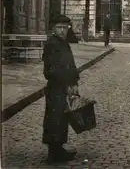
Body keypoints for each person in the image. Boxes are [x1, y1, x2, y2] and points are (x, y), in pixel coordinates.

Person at [42, 14, 80, 164]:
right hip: (56, 87)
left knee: (62, 119)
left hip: (65, 87)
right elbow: (50, 70)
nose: (62, 31)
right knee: (55, 119)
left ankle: (59, 148)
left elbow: (71, 64)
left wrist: (74, 82)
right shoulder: (52, 45)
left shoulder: (64, 43)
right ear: (53, 29)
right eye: (59, 28)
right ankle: (53, 153)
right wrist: (68, 82)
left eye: (65, 27)